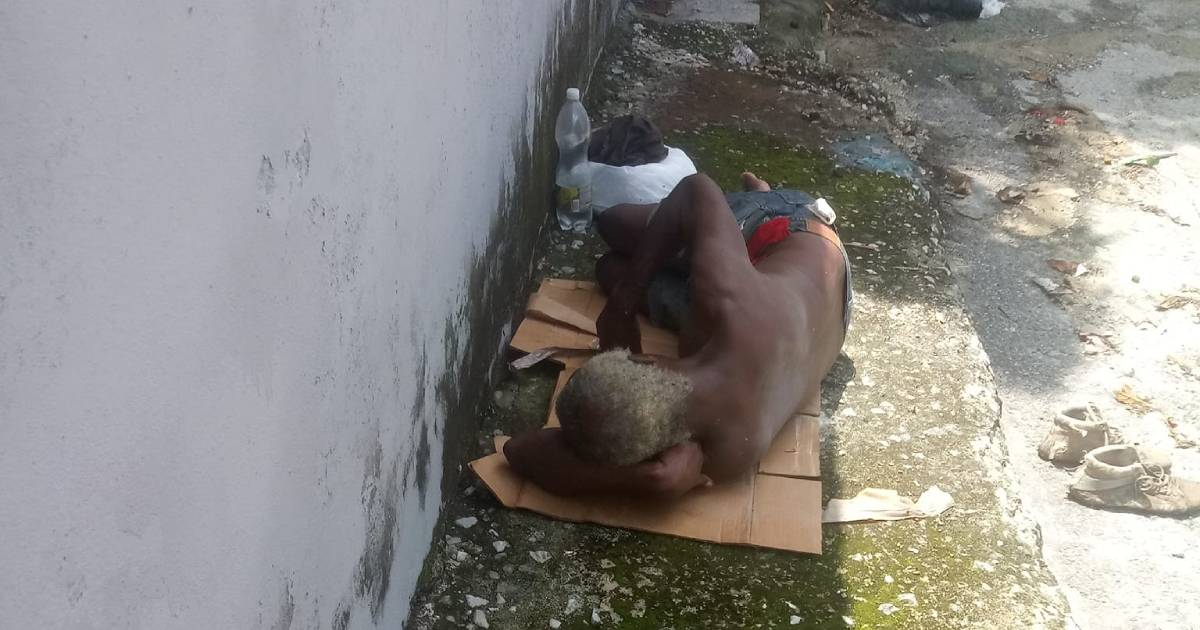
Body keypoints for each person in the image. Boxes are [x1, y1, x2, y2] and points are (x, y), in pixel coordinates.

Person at [504, 172, 852, 498]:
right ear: (644, 359)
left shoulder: (708, 455)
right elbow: (696, 190)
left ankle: (753, 205)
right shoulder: (727, 448)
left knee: (613, 233)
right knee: (614, 260)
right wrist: (620, 309)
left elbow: (521, 452)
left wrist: (651, 481)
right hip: (797, 246)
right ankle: (734, 222)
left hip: (779, 232)